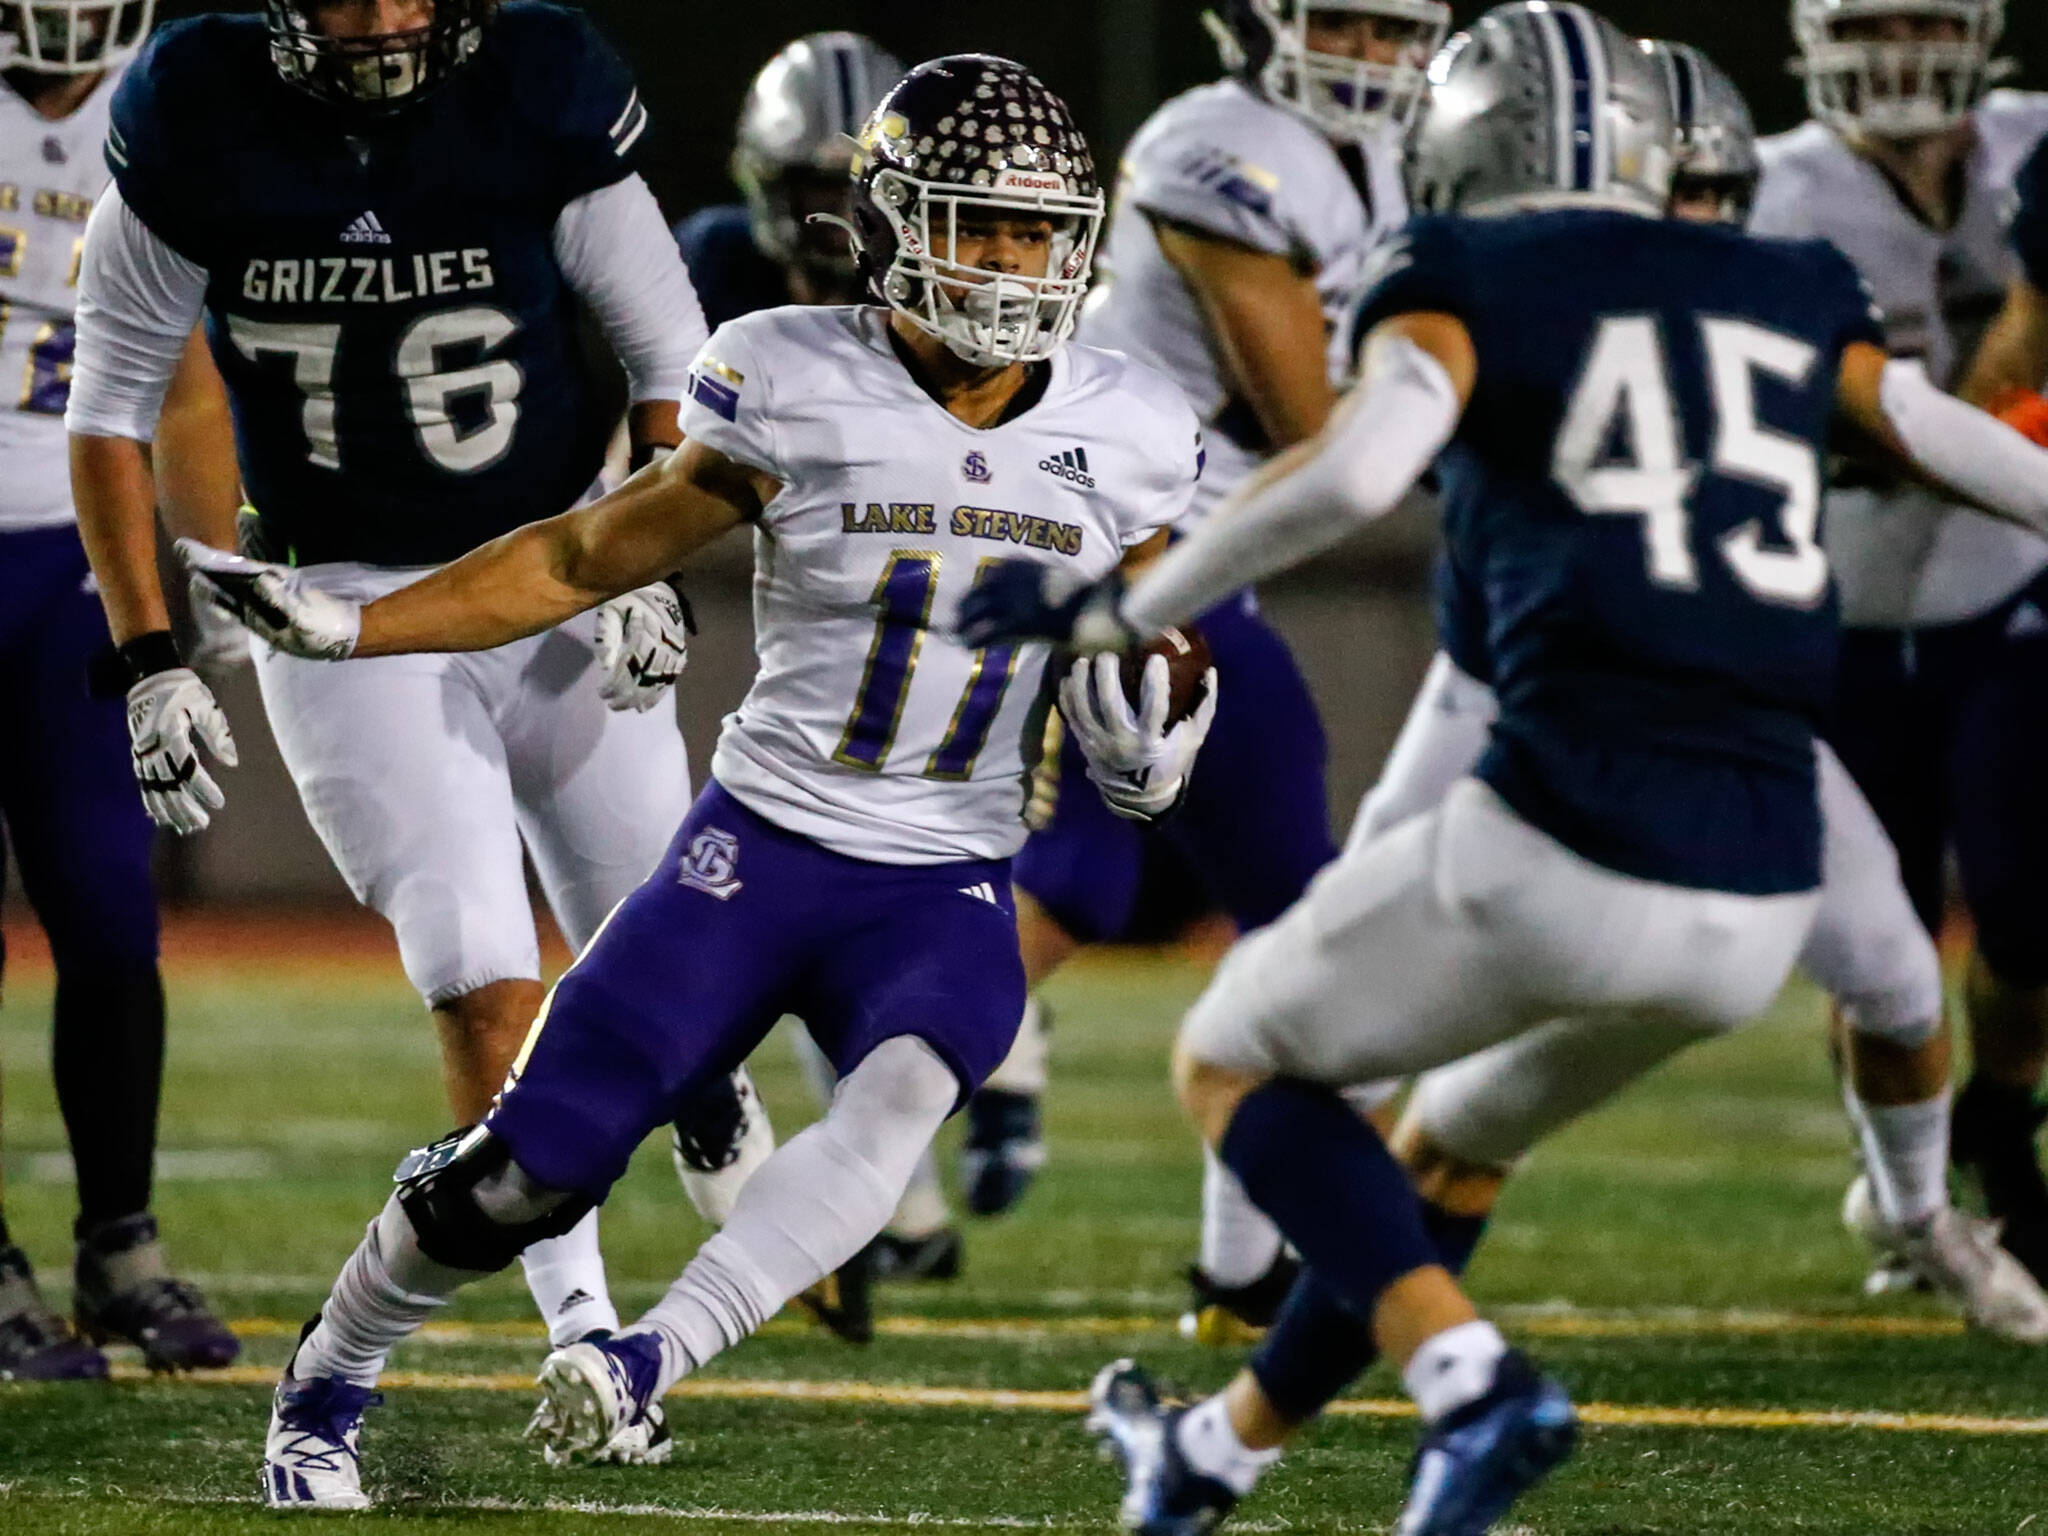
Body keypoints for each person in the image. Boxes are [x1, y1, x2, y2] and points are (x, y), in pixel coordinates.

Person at [961, 4, 2048, 1528]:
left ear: (1469, 136)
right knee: (1445, 1158)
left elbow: (1351, 466)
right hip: (1753, 899)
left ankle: (1471, 1380)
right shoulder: (1790, 279)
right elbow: (1956, 437)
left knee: (1229, 1055)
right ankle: (1216, 1454)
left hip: (1568, 826)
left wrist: (1117, 602)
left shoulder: (1464, 266)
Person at [181, 54, 1211, 1510]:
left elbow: (1168, 628)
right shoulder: (792, 369)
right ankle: (328, 1376)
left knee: (906, 1092)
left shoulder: (1132, 420)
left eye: (1037, 233)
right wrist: (359, 623)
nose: (1009, 263)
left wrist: (1155, 733)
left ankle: (644, 1364)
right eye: (978, 225)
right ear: (894, 219)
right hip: (764, 847)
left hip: (949, 871)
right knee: (520, 1178)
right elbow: (575, 556)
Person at [62, 0, 786, 1400]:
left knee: (659, 931)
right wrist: (149, 657)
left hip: (549, 564)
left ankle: (702, 1075)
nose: (383, 20)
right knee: (473, 966)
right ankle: (582, 1331)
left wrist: (645, 548)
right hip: (340, 601)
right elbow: (112, 404)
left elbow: (672, 355)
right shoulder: (198, 107)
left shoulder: (536, 84)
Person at [1326, 37, 2048, 1342]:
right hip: (1523, 685)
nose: (1708, 221)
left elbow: (1934, 428)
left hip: (1734, 704)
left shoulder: (1776, 288)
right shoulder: (1505, 286)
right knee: (1365, 973)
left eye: (1723, 196)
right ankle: (1273, 1262)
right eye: (1688, 194)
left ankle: (1916, 1213)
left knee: (1891, 971)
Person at [997, 0, 1445, 1302]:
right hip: (1148, 561)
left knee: (1072, 882)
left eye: (1390, 31)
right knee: (1312, 931)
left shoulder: (1376, 161)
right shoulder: (1222, 142)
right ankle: (1251, 1269)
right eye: (1345, 25)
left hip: (1158, 557)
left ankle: (872, 1091)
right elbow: (1316, 425)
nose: (1368, 57)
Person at [1751, 0, 2048, 1281]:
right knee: (1877, 938)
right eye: (1872, 19)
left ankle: (1997, 1135)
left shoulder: (2033, 144)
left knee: (2029, 904)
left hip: (2009, 589)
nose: (1899, 49)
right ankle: (1906, 1195)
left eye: (1926, 18)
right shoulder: (1762, 189)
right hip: (1837, 602)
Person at [674, 30, 965, 1289]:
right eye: (810, 197)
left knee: (894, 878)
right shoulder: (714, 267)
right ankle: (867, 1197)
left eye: (855, 199)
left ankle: (914, 1180)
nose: (834, 230)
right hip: (755, 571)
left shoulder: (957, 280)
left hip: (933, 595)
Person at [0, 0, 241, 1380]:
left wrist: (213, 567)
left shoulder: (161, 105)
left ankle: (119, 1247)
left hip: (68, 573)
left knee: (106, 916)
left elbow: (189, 387)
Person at [676, 31, 904, 328]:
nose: (850, 207)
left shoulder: (935, 288)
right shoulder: (713, 261)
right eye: (825, 184)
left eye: (870, 182)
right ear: (773, 185)